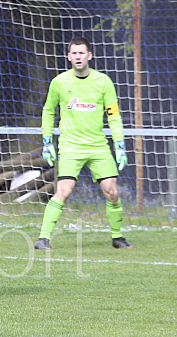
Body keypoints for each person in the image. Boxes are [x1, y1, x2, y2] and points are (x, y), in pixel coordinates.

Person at [34, 36, 132, 250]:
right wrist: (47, 142)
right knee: (64, 190)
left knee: (112, 192)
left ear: (89, 55)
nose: (78, 57)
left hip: (98, 146)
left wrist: (120, 145)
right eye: (74, 53)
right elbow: (48, 111)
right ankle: (43, 239)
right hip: (70, 146)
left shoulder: (103, 81)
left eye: (82, 53)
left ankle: (117, 237)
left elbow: (113, 115)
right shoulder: (59, 82)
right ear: (68, 56)